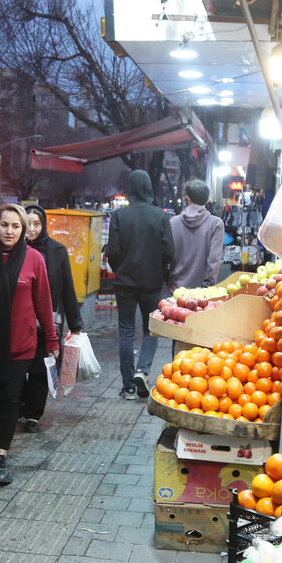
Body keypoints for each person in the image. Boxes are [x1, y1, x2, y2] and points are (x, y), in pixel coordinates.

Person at [0, 204, 59, 486]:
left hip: (22, 345)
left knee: (10, 398)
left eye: (16, 226)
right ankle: (1, 435)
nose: (9, 231)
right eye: (4, 225)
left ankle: (1, 456)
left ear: (24, 230)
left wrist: (52, 339)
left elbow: (43, 303)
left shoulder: (34, 259)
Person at [104, 169, 174, 400]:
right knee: (151, 329)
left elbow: (112, 251)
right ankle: (142, 371)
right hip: (152, 283)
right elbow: (169, 251)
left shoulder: (119, 215)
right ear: (149, 188)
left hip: (124, 283)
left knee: (125, 331)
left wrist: (120, 268)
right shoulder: (160, 215)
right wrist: (159, 270)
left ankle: (129, 387)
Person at [20, 205, 83, 433]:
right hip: (19, 321)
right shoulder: (13, 249)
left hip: (49, 321)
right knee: (17, 366)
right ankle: (20, 404)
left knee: (43, 367)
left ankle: (33, 414)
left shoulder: (57, 251)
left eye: (37, 224)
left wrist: (75, 324)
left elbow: (67, 287)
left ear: (44, 225)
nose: (32, 229)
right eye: (28, 224)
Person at [167, 179, 225, 291]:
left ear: (188, 199)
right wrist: (208, 286)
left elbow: (166, 255)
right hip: (202, 292)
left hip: (176, 289)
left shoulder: (173, 222)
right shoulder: (216, 224)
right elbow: (214, 259)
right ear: (207, 199)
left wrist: (169, 279)